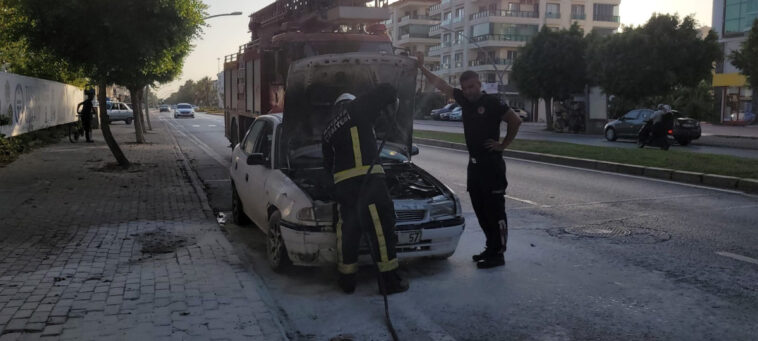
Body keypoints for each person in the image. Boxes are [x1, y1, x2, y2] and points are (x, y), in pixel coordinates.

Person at [416, 52, 521, 269]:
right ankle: (490, 247)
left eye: (473, 86)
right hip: (474, 166)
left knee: (495, 211)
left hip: (492, 166)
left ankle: (498, 253)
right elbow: (442, 85)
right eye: (465, 88)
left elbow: (515, 120)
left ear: (479, 84)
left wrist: (502, 145)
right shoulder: (465, 101)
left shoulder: (492, 102)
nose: (469, 91)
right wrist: (422, 68)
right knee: (480, 209)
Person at [321, 83, 409, 294]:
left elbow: (327, 166)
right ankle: (389, 282)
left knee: (348, 232)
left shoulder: (327, 130)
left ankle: (347, 281)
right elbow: (387, 90)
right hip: (368, 181)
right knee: (381, 230)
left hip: (344, 187)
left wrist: (333, 190)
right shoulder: (356, 109)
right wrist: (394, 95)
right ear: (349, 102)